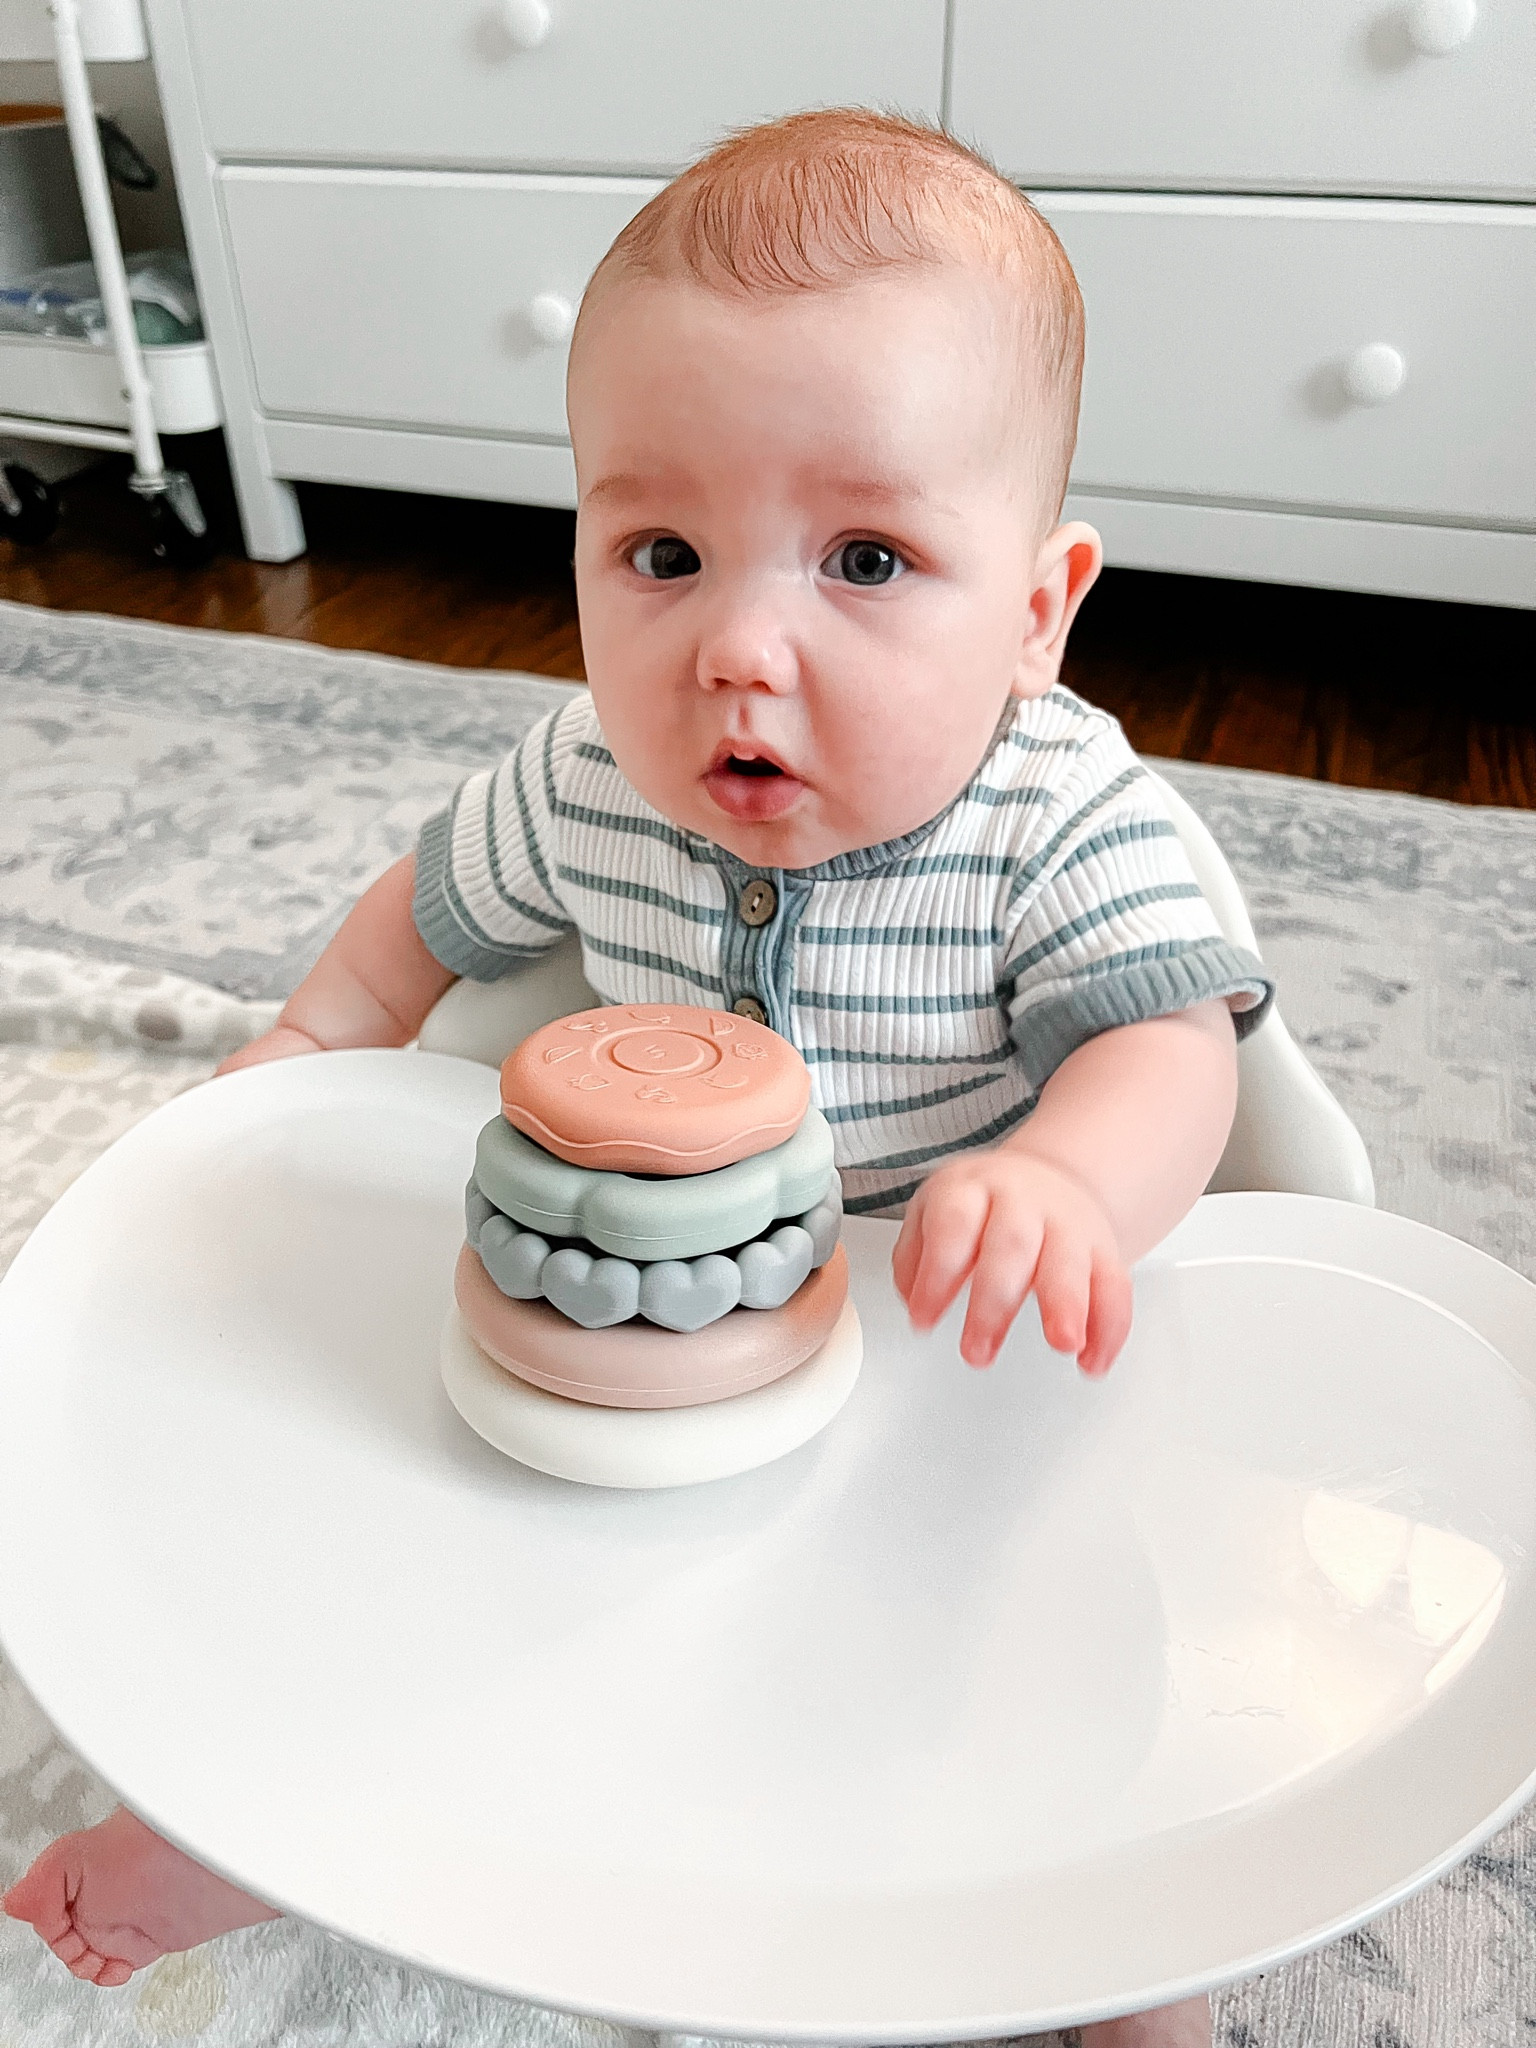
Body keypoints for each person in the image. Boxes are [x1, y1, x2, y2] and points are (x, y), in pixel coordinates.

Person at [4, 109, 1268, 2048]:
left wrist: (1072, 1189)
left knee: (1059, 1676)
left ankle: (1126, 1970)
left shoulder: (1058, 818)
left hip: (944, 1359)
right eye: (662, 550)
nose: (740, 648)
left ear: (1037, 605)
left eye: (867, 558)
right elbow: (411, 919)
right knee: (402, 1529)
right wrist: (299, 1058)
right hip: (639, 1342)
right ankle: (256, 1824)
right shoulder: (592, 781)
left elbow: (1177, 1051)